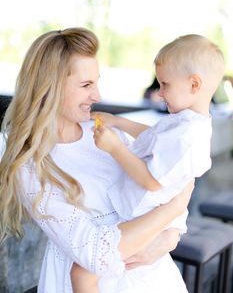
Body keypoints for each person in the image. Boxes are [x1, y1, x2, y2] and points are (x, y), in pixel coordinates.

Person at [0, 28, 193, 293]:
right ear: (51, 87)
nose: (97, 96)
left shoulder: (106, 134)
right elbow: (94, 252)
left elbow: (158, 188)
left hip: (155, 278)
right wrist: (173, 209)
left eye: (96, 82)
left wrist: (170, 237)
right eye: (85, 85)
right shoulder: (31, 166)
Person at [71, 34, 225, 293]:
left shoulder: (189, 136)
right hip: (143, 215)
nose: (160, 92)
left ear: (194, 84)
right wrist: (119, 122)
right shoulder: (184, 120)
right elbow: (153, 137)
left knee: (88, 270)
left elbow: (151, 181)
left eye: (165, 84)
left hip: (144, 220)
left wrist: (115, 147)